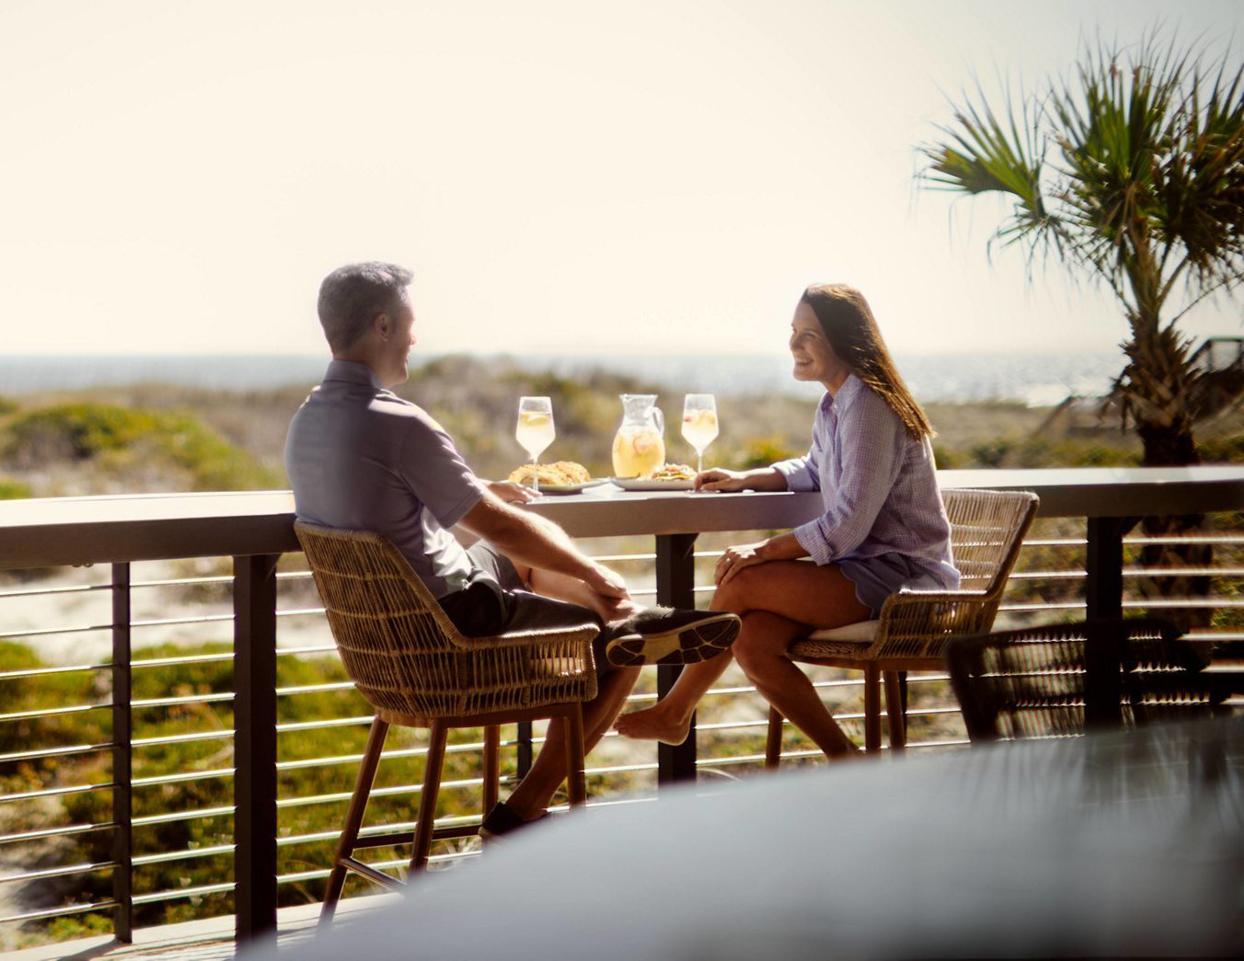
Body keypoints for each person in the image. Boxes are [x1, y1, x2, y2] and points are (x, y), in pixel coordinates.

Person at [286, 262, 740, 836]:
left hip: (386, 641)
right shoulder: (398, 423)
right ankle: (524, 809)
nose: (414, 337)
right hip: (452, 622)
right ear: (382, 326)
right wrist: (593, 568)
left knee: (524, 544)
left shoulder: (308, 420)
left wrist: (477, 493)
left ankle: (631, 612)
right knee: (616, 644)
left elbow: (380, 504)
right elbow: (497, 526)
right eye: (408, 323)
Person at [614, 283, 957, 759]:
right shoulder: (838, 402)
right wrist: (747, 477)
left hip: (904, 580)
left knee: (744, 580)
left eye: (809, 335)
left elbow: (847, 525)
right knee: (752, 640)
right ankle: (845, 758)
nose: (794, 345)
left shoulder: (872, 406)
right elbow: (816, 467)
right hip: (861, 571)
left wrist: (764, 549)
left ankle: (674, 710)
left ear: (844, 341)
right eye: (793, 332)